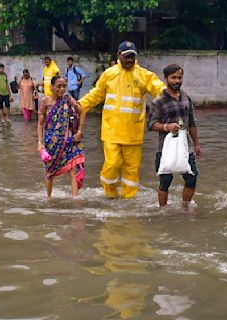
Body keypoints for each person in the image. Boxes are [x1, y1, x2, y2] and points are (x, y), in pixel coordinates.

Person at [78, 41, 166, 199]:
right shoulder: (109, 74)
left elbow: (158, 88)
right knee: (112, 164)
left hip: (134, 132)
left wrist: (170, 96)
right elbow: (96, 94)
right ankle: (109, 194)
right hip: (111, 130)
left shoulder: (144, 75)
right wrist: (79, 106)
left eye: (132, 56)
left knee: (132, 169)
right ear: (119, 56)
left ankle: (129, 199)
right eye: (126, 56)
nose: (129, 60)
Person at [147, 64, 201, 207]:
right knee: (165, 180)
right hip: (165, 146)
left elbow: (192, 123)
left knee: (192, 177)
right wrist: (166, 126)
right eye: (173, 78)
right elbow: (150, 124)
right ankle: (162, 210)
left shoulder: (186, 98)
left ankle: (185, 206)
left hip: (185, 145)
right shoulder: (158, 101)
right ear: (166, 78)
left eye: (179, 77)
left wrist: (196, 144)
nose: (177, 81)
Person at [37, 76, 86, 198]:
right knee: (50, 172)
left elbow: (82, 112)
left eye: (64, 86)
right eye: (59, 86)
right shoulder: (45, 102)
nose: (62, 89)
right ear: (51, 87)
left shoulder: (68, 99)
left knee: (73, 169)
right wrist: (40, 143)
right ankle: (49, 198)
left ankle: (75, 199)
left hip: (68, 140)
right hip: (51, 143)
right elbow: (40, 124)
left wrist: (79, 131)